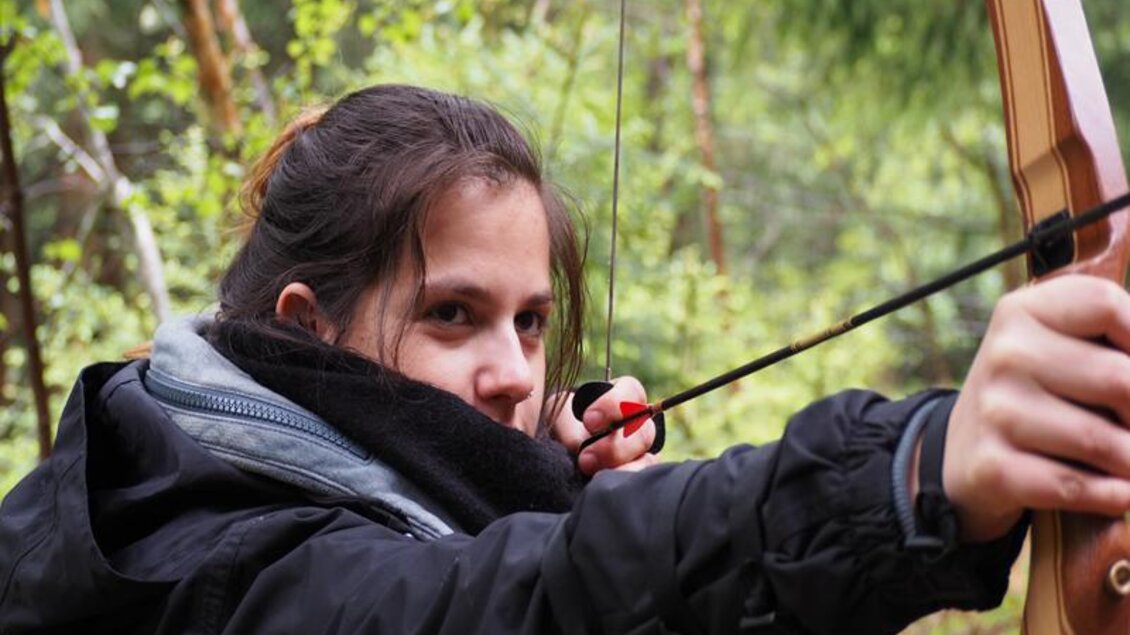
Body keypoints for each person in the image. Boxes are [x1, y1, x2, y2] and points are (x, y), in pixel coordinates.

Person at [1, 84, 1128, 635]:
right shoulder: (202, 564)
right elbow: (520, 603)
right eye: (452, 313)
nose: (512, 372)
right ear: (306, 327)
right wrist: (913, 471)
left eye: (531, 322)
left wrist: (541, 470)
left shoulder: (188, 433)